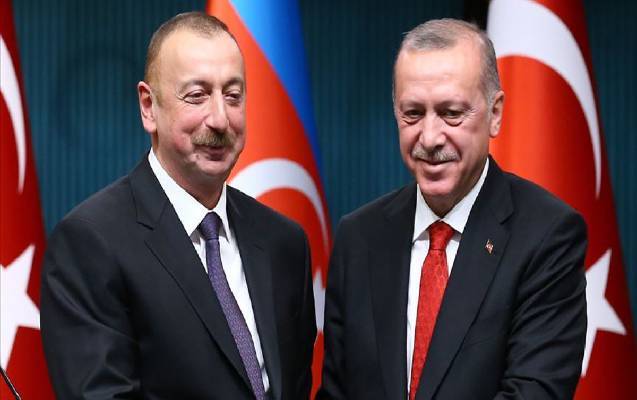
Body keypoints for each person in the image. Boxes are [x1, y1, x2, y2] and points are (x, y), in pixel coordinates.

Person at [41, 12, 315, 400]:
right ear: (148, 107)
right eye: (197, 96)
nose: (220, 119)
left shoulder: (283, 242)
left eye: (233, 96)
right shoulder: (91, 243)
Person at [318, 18, 587, 400]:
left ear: (495, 113)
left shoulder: (547, 235)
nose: (429, 138)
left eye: (451, 113)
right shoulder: (359, 237)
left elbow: (534, 392)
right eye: (413, 113)